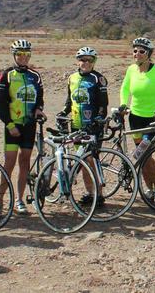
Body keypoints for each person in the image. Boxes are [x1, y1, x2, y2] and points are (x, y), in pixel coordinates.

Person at [0, 39, 45, 216]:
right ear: (14, 55)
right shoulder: (6, 75)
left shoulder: (35, 76)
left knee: (25, 162)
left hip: (29, 125)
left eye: (26, 54)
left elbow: (40, 99)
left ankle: (19, 200)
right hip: (12, 126)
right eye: (20, 54)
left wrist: (39, 109)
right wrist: (9, 124)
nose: (23, 57)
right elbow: (0, 104)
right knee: (9, 163)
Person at [119, 37, 155, 202]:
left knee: (146, 153)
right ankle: (149, 188)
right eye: (135, 51)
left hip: (152, 119)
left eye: (142, 51)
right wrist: (122, 104)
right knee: (140, 156)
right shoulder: (131, 70)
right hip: (135, 118)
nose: (137, 54)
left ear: (149, 54)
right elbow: (125, 89)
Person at [61, 46, 109, 207]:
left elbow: (103, 104)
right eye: (83, 60)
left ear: (94, 62)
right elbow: (69, 101)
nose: (86, 63)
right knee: (82, 160)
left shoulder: (98, 79)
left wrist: (98, 119)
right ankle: (90, 193)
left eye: (90, 60)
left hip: (93, 126)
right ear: (78, 61)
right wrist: (62, 113)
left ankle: (99, 195)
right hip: (76, 125)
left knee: (92, 159)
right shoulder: (72, 78)